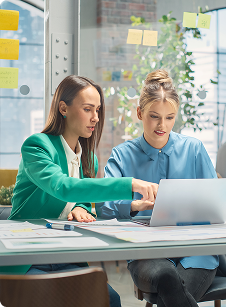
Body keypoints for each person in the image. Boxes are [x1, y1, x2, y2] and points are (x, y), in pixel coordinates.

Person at [6, 75, 158, 307]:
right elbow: (63, 187)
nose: (95, 117)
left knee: (110, 299)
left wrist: (80, 206)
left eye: (97, 110)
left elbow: (82, 200)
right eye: (88, 109)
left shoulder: (88, 159)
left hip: (65, 255)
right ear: (63, 108)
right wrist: (130, 185)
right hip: (28, 259)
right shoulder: (37, 146)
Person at [99, 69, 218, 307]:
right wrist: (133, 206)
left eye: (170, 117)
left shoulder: (194, 150)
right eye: (154, 116)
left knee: (171, 296)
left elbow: (215, 204)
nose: (162, 125)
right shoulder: (122, 156)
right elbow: (103, 209)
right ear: (140, 113)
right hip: (147, 253)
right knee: (167, 279)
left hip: (196, 251)